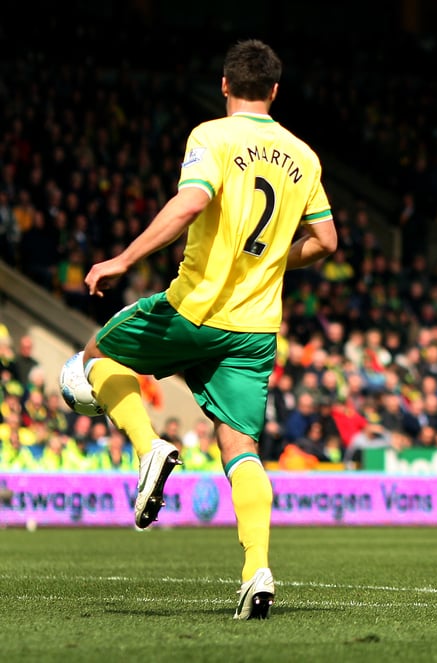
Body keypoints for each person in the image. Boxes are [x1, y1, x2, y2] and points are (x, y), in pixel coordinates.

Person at [69, 39, 338, 619]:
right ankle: (257, 570)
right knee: (241, 449)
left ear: (224, 85)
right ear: (273, 90)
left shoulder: (211, 136)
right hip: (256, 329)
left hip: (193, 308)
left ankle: (148, 448)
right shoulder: (305, 155)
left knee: (94, 357)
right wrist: (267, 262)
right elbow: (326, 242)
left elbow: (191, 201)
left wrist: (122, 259)